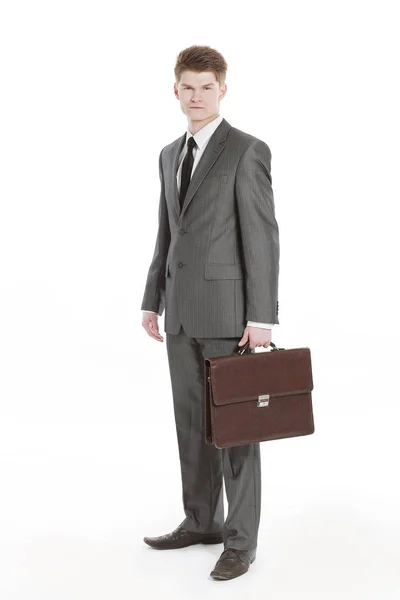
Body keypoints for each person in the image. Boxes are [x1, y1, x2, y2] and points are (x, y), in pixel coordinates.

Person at [140, 44, 280, 581]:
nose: (196, 96)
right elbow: (166, 234)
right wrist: (152, 298)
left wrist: (261, 315)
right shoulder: (168, 154)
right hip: (179, 316)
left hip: (230, 316)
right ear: (174, 91)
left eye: (206, 87)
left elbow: (263, 236)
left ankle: (241, 541)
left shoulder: (246, 151)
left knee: (237, 429)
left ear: (224, 90)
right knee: (192, 425)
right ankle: (201, 520)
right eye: (187, 87)